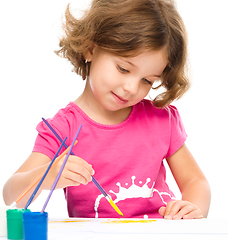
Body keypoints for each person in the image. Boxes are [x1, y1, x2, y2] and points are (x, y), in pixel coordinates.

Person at [3, 0, 211, 219]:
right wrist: (47, 175)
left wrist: (191, 209)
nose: (131, 88)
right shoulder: (63, 128)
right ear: (90, 48)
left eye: (147, 81)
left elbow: (196, 182)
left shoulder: (160, 120)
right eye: (123, 68)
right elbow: (11, 195)